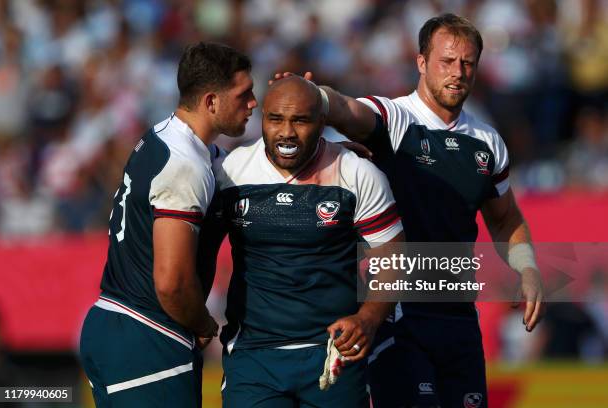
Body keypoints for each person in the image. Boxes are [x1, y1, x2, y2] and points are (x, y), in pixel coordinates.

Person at [274, 13, 545, 408]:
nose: (458, 72)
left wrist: (528, 267)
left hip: (458, 317)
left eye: (467, 63)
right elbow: (349, 110)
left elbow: (505, 219)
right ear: (421, 62)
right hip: (395, 312)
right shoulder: (396, 118)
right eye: (446, 61)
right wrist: (313, 97)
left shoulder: (488, 142)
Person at [199, 76, 404, 407]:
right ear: (261, 117)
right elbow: (201, 250)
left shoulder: (358, 174)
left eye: (301, 120)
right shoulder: (229, 172)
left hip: (334, 354)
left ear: (322, 122)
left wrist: (368, 318)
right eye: (276, 118)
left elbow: (395, 260)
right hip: (253, 358)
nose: (287, 132)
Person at [79, 42, 257, 407]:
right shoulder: (185, 165)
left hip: (116, 324)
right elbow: (172, 283)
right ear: (211, 101)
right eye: (244, 94)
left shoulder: (164, 136)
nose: (254, 102)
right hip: (148, 337)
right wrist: (205, 324)